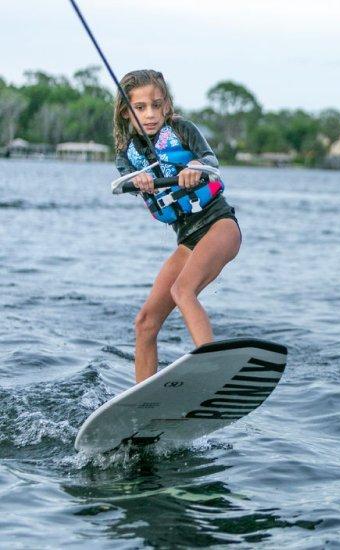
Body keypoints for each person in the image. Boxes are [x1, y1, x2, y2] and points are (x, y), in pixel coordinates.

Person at [112, 70, 241, 384]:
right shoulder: (126, 154)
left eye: (157, 105)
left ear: (167, 104)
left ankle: (214, 371)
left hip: (219, 225)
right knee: (145, 323)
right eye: (141, 108)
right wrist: (138, 180)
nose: (151, 114)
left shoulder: (182, 130)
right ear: (126, 112)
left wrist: (195, 166)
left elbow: (210, 160)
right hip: (187, 239)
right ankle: (141, 403)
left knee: (183, 290)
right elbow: (121, 183)